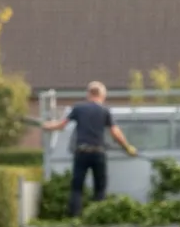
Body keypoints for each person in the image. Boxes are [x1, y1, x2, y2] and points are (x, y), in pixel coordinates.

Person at [42, 81, 138, 217]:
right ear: (102, 95)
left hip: (81, 152)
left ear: (88, 94)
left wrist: (46, 126)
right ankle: (97, 215)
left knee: (77, 188)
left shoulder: (78, 108)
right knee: (100, 187)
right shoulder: (104, 111)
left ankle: (74, 217)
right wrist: (127, 147)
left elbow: (61, 125)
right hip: (98, 152)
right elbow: (115, 132)